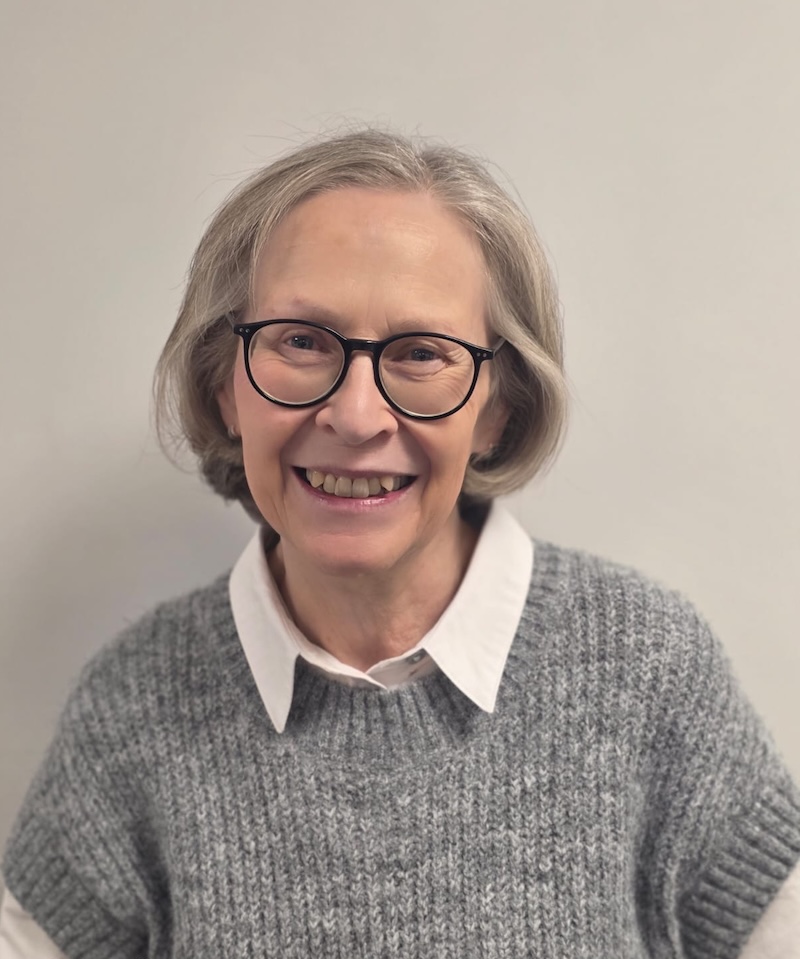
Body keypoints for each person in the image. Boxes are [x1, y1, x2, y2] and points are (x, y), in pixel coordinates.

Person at [1, 129, 798, 958]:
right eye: (302, 342)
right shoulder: (134, 705)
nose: (355, 417)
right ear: (223, 383)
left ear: (497, 408)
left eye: (422, 354)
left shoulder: (649, 670)